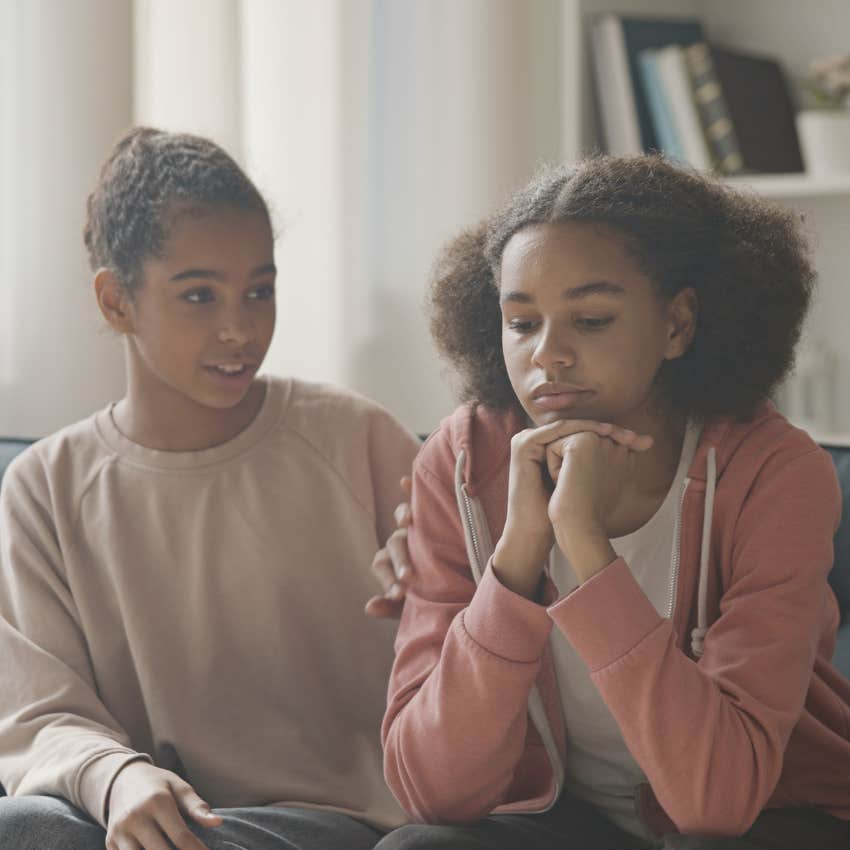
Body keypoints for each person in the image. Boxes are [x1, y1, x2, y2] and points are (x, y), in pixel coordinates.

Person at [370, 156, 850, 850]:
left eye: (591, 320)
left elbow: (719, 801)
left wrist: (586, 546)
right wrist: (515, 562)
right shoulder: (464, 459)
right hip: (570, 816)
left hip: (769, 818)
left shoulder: (775, 473)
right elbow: (431, 791)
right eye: (522, 323)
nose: (549, 355)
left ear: (678, 324)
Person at [0, 127, 420, 850]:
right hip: (173, 818)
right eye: (199, 295)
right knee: (30, 826)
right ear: (115, 301)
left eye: (260, 290)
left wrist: (440, 588)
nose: (240, 328)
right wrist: (116, 777)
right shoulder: (44, 489)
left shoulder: (356, 438)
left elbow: (487, 633)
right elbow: (37, 713)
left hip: (356, 822)